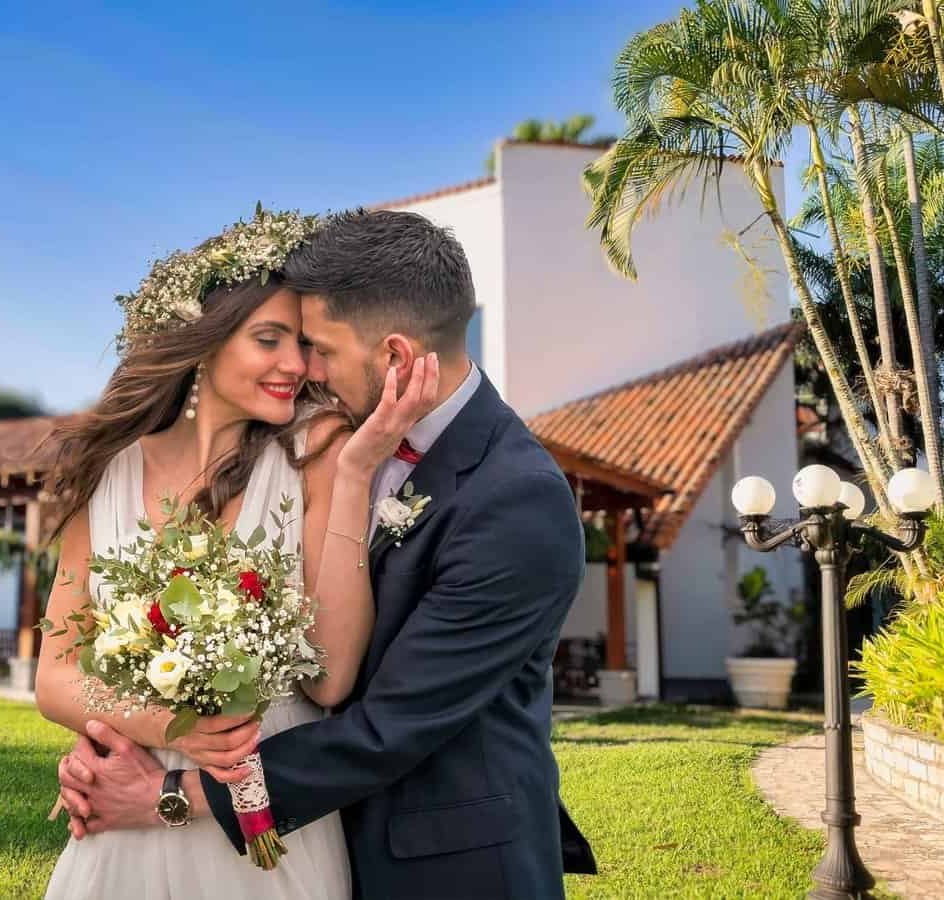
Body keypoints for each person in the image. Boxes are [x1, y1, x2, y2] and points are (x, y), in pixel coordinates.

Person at [56, 209, 596, 899]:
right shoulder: (328, 445)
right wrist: (127, 732)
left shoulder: (517, 502)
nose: (305, 368)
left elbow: (385, 729)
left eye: (319, 348)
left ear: (396, 357)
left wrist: (168, 792)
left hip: (444, 866)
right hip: (322, 835)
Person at [36, 208, 438, 899]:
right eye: (269, 339)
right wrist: (176, 729)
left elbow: (331, 678)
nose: (296, 364)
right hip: (123, 822)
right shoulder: (109, 472)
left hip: (272, 836)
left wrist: (353, 476)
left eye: (304, 343)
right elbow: (55, 675)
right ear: (204, 341)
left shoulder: (320, 449)